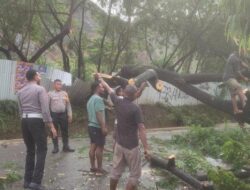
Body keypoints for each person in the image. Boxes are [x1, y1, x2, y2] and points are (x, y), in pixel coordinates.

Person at [97, 76, 149, 190]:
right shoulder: (136, 109)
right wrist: (146, 148)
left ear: (124, 93)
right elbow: (141, 128)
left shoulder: (118, 101)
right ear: (135, 95)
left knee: (115, 172)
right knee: (134, 175)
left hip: (119, 145)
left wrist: (100, 79)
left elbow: (108, 88)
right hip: (132, 147)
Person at [17, 69, 57, 190]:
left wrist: (25, 121)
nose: (40, 76)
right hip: (37, 120)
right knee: (41, 150)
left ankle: (27, 181)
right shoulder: (40, 89)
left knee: (30, 150)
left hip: (24, 120)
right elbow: (45, 110)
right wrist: (52, 126)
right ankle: (35, 182)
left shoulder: (20, 91)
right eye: (39, 75)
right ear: (35, 77)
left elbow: (20, 110)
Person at [86, 80, 108, 175]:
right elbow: (99, 114)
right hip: (97, 127)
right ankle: (99, 170)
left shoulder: (90, 99)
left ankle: (92, 167)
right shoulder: (98, 99)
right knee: (100, 148)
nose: (103, 88)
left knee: (93, 146)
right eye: (102, 87)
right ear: (97, 88)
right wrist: (103, 127)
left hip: (91, 126)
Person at [48, 79, 74, 153]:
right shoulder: (50, 94)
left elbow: (68, 104)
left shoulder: (65, 93)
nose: (59, 85)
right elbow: (47, 106)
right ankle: (55, 147)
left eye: (60, 84)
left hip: (63, 115)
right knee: (54, 131)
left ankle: (66, 146)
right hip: (54, 115)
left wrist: (70, 114)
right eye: (58, 84)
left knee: (65, 131)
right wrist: (48, 117)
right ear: (54, 85)